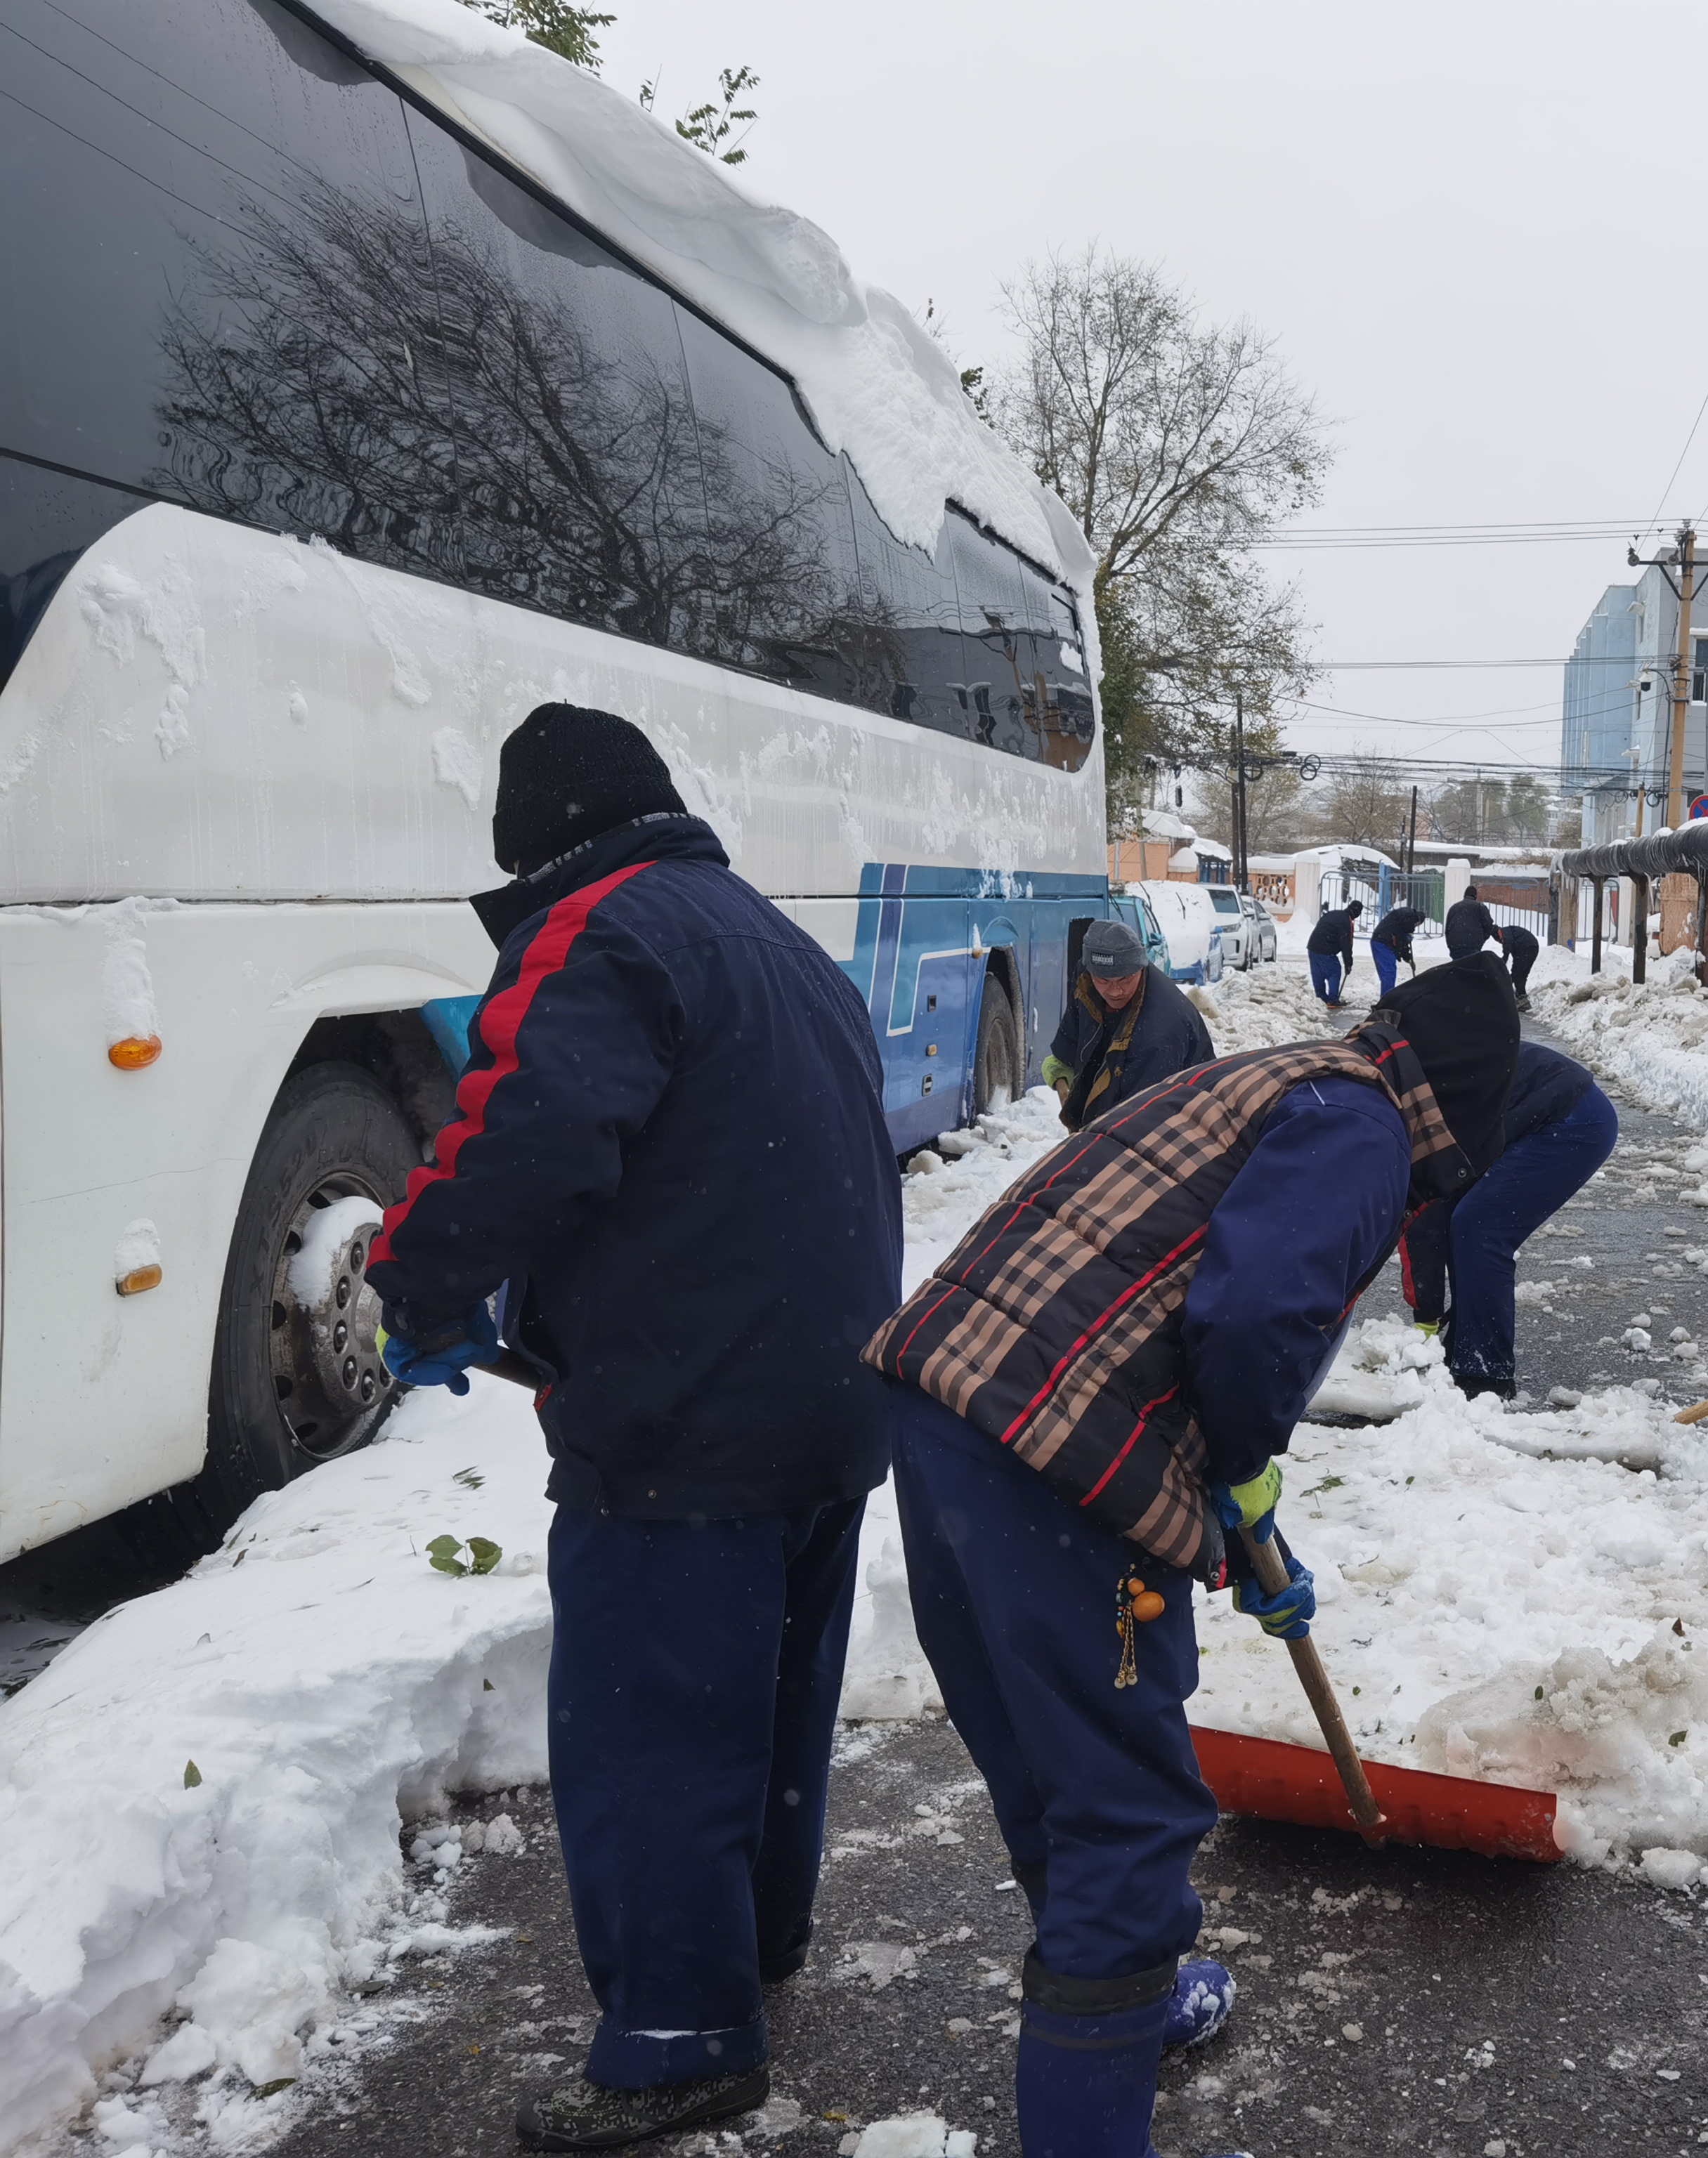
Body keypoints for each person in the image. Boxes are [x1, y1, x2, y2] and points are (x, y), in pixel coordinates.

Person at [364, 703, 898, 2153]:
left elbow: (517, 1138)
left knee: (651, 1735)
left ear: (532, 845)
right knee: (771, 1702)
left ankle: (676, 2038)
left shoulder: (598, 929)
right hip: (833, 1398)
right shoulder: (772, 938)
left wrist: (414, 1278)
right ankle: (753, 1940)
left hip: (684, 1416)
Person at [866, 1014, 1495, 2158]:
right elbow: (1254, 1318)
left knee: (1052, 1758)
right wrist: (1241, 1463)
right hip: (1057, 1444)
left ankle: (1124, 1995)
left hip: (954, 1403)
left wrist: (1243, 1525)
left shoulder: (1288, 1078)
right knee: (1123, 1808)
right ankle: (1099, 2076)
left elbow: (1187, 1286)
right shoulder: (1364, 1125)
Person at [1402, 1040, 1617, 1397]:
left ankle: (1486, 1375)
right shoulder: (1398, 1086)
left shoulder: (1407, 1106)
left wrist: (1426, 1316)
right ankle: (1463, 1349)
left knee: (1479, 1227)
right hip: (1532, 1111)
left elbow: (1421, 1219)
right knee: (1460, 1214)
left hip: (1573, 1119)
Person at [1374, 900, 1523, 1172]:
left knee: (1461, 974)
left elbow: (1445, 928)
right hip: (1471, 947)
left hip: (1456, 947)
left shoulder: (1454, 909)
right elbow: (1488, 924)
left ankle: (1465, 999)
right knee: (1471, 977)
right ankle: (1470, 1001)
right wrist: (1488, 937)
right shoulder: (1501, 1031)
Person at [1043, 916, 1215, 1131]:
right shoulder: (1087, 979)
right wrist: (1064, 1056)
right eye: (1104, 980)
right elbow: (1080, 1019)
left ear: (1140, 967)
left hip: (1179, 1126)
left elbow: (1139, 1121)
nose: (1116, 991)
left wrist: (1094, 1141)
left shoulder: (1161, 1031)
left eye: (1125, 979)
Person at [1305, 897, 1364, 1008]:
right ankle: (1332, 1000)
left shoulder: (1334, 914)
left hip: (1313, 947)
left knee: (1318, 973)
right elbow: (1346, 944)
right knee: (1335, 971)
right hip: (1325, 950)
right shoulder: (1346, 921)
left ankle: (1321, 998)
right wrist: (1348, 963)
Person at [1369, 896, 1427, 1001]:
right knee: (1388, 972)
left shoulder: (1404, 920)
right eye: (1417, 925)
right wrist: (1408, 935)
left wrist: (1408, 958)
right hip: (1383, 943)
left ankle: (1387, 998)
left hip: (1383, 943)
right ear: (1418, 920)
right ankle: (1387, 1000)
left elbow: (1401, 943)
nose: (1415, 927)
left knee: (1389, 972)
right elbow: (1401, 940)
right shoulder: (1409, 915)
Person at [1492, 918, 1542, 1009]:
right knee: (1519, 973)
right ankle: (1520, 996)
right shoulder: (1509, 932)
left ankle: (1522, 999)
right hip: (1530, 948)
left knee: (1519, 974)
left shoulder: (1505, 935)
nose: (1501, 943)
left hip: (1527, 949)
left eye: (1500, 941)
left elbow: (1506, 954)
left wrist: (1499, 968)